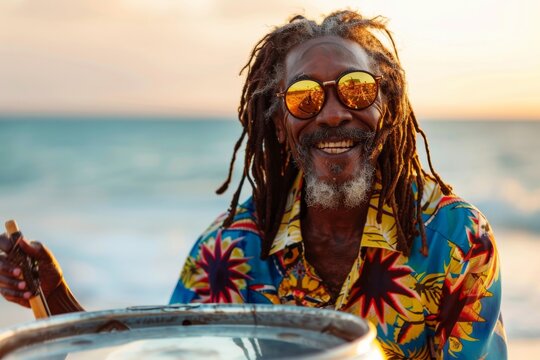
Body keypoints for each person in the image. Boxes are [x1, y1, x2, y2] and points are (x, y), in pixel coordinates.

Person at [0, 10, 507, 359]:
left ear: (386, 107)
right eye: (305, 98)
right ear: (280, 124)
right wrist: (56, 299)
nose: (333, 114)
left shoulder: (458, 241)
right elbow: (166, 355)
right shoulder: (230, 249)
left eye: (356, 89)